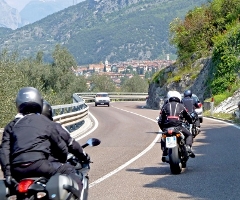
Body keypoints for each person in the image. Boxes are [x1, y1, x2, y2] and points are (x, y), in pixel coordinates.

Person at [0, 87, 83, 196]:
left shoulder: (12, 125)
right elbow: (60, 145)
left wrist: (8, 174)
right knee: (69, 170)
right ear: (39, 101)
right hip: (40, 166)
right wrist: (62, 159)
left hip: (17, 170)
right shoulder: (45, 121)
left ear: (18, 104)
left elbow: (4, 151)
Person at [41, 100, 90, 164]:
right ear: (49, 112)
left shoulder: (26, 128)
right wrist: (84, 157)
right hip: (50, 165)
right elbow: (71, 144)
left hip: (27, 166)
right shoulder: (55, 127)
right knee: (71, 172)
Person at [157, 90, 195, 162]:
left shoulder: (165, 106)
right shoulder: (181, 106)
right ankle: (188, 148)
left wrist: (164, 129)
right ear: (179, 98)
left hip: (167, 127)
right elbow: (188, 117)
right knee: (189, 135)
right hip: (178, 127)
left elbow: (160, 121)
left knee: (163, 137)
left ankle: (164, 152)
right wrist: (191, 121)